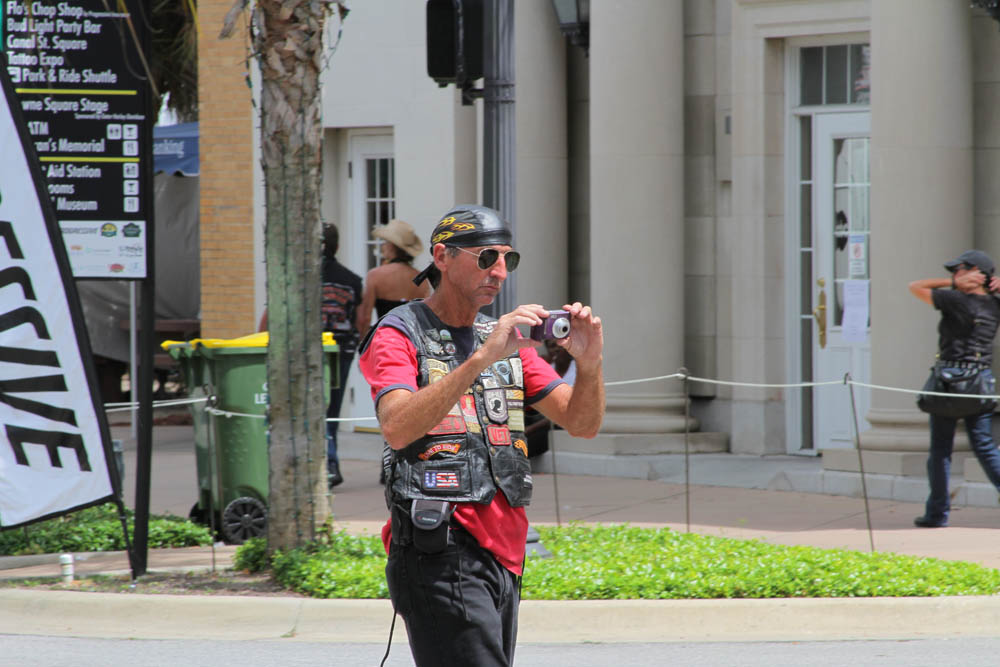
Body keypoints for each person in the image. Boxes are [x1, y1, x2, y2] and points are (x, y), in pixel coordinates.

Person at [358, 204, 604, 666]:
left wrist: (589, 364)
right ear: (442, 257)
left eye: (507, 260)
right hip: (439, 545)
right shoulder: (399, 333)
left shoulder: (504, 338)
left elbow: (582, 423)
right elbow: (396, 427)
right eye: (486, 257)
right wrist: (480, 359)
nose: (499, 272)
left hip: (506, 551)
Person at [908, 249, 1000, 528]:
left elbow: (915, 287)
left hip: (949, 381)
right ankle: (936, 512)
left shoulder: (953, 298)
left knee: (940, 449)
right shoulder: (994, 304)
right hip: (979, 381)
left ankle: (937, 514)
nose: (953, 275)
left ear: (976, 273)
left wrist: (952, 286)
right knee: (984, 446)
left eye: (958, 270)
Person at [356, 218, 431, 340]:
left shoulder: (375, 275)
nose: (383, 246)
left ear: (391, 246)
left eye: (385, 242)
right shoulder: (421, 279)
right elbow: (426, 318)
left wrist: (363, 344)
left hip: (384, 340)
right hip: (411, 340)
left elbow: (365, 317)